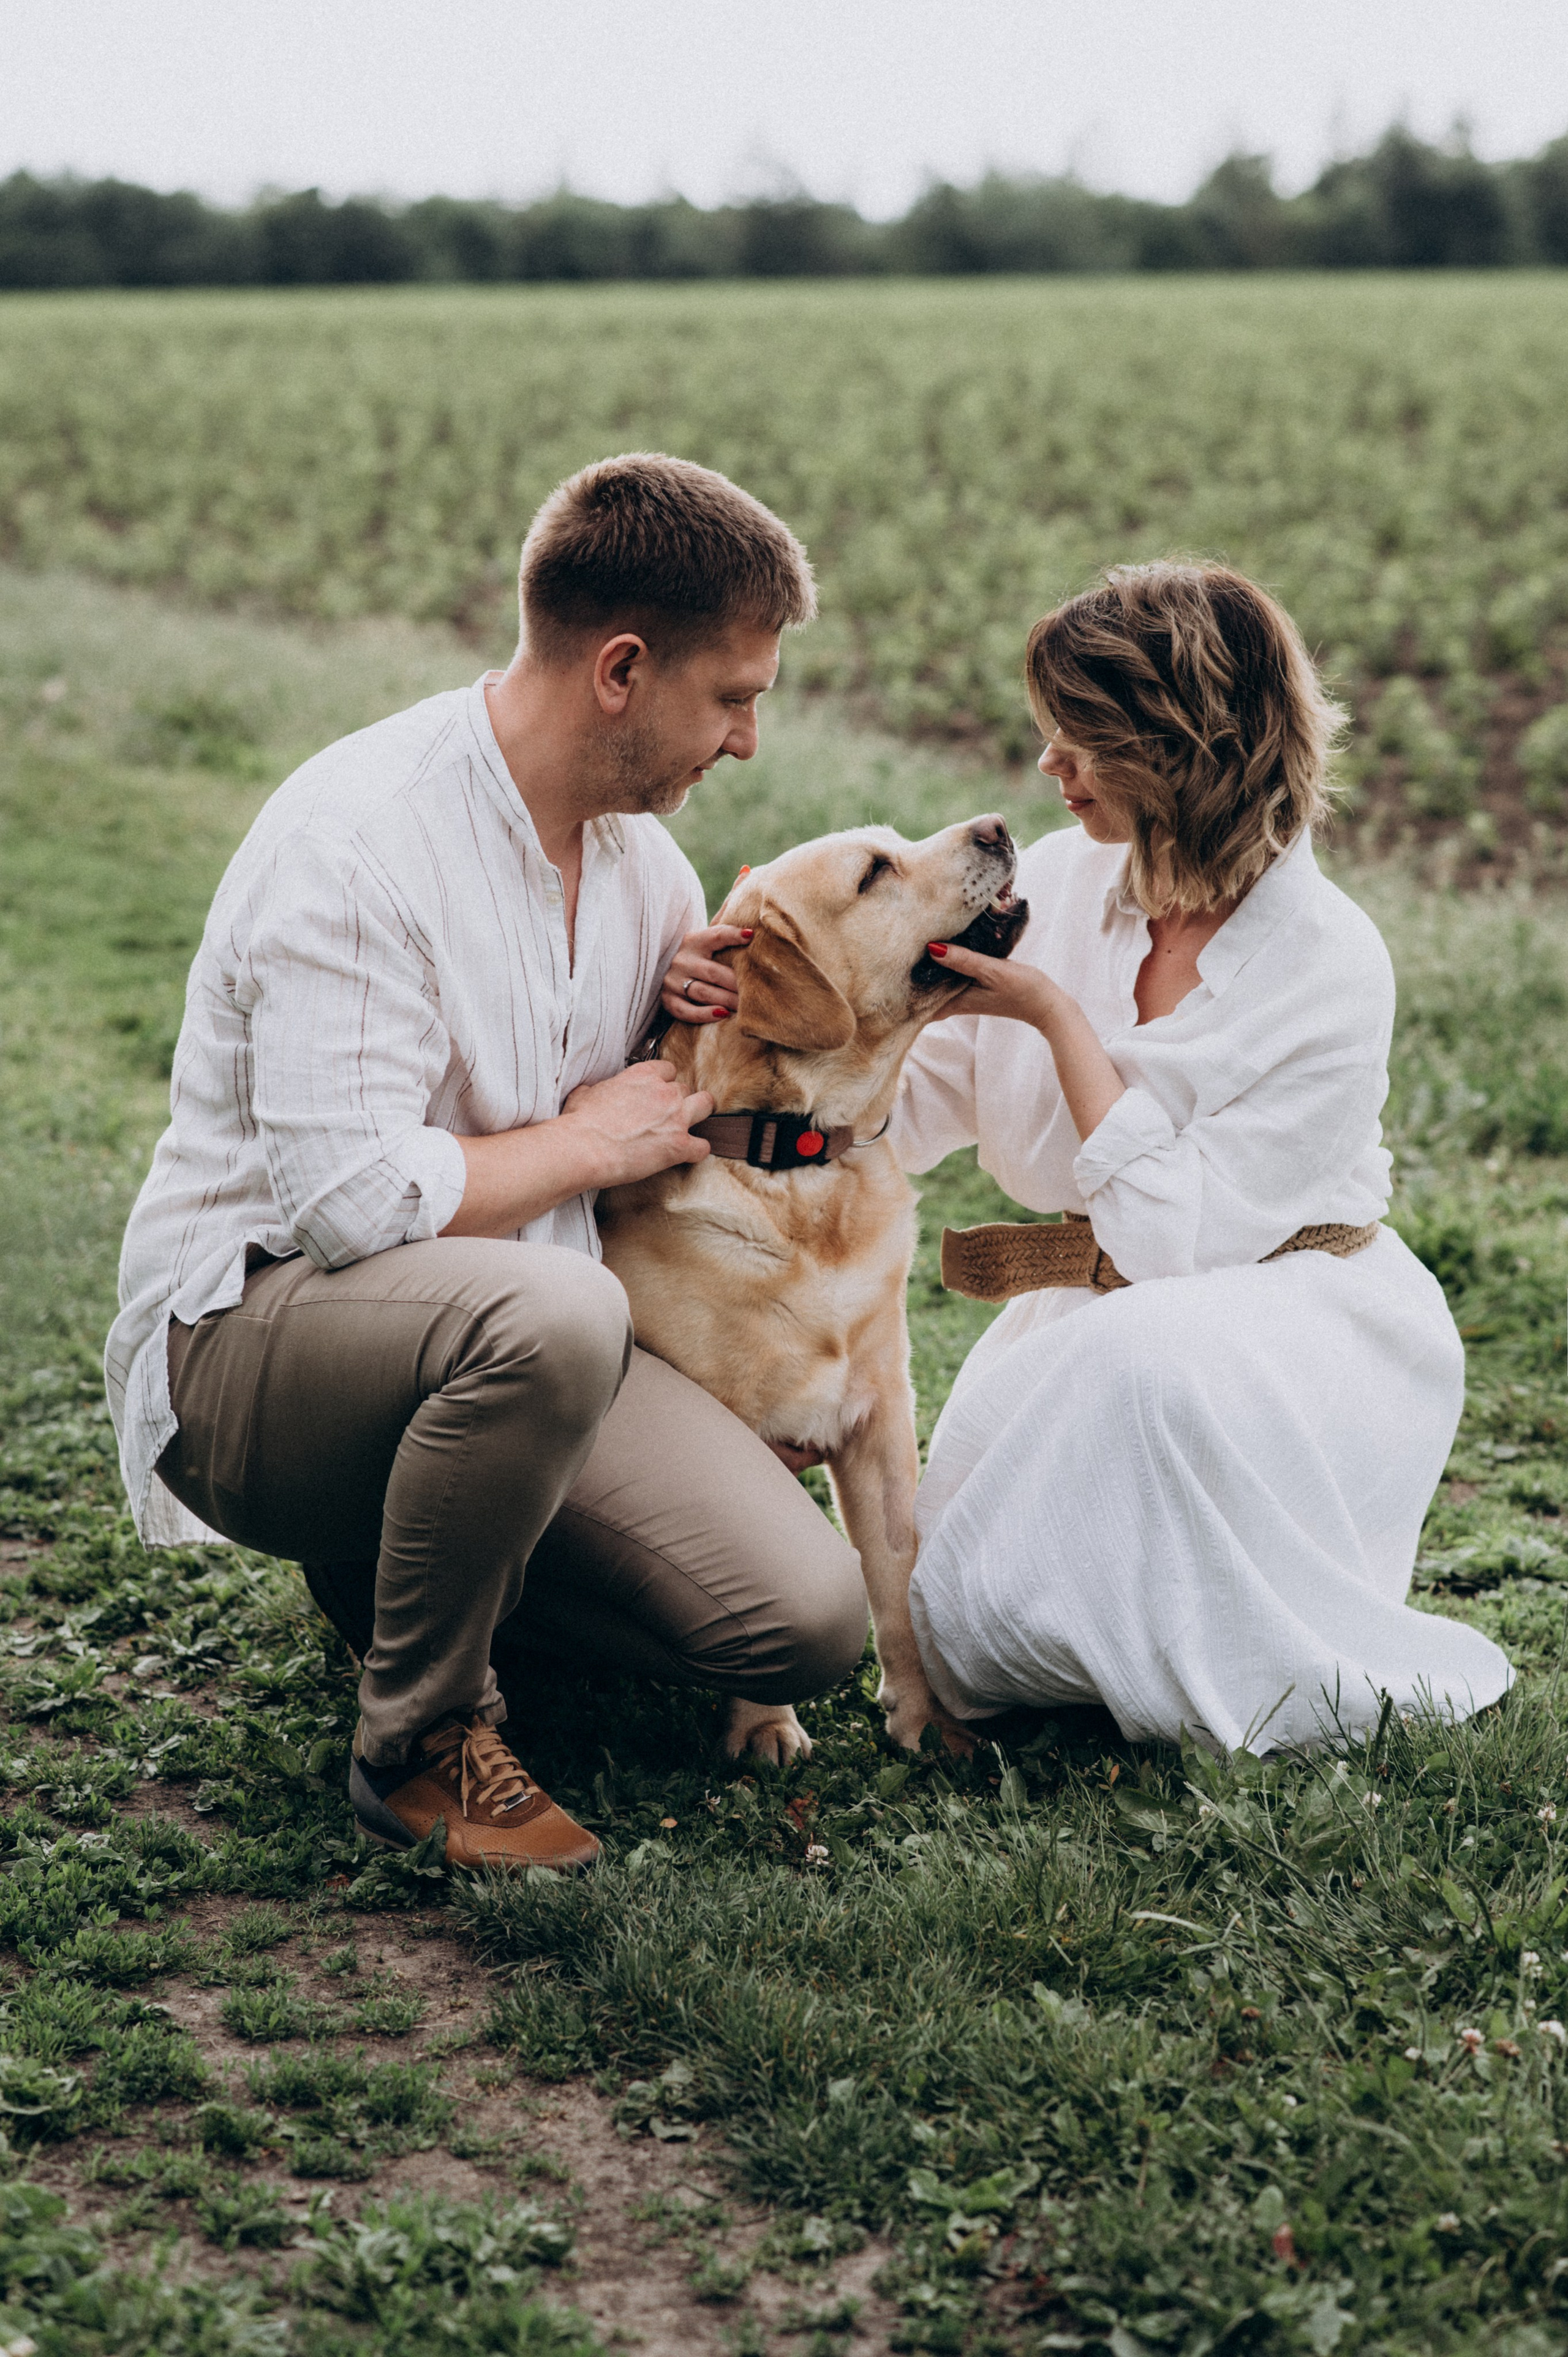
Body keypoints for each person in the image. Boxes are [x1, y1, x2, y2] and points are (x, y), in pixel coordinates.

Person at [104, 453, 869, 1871]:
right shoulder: (360, 842)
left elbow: (627, 1128)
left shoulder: (649, 871)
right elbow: (346, 1204)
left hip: (514, 1336)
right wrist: (584, 1136)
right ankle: (419, 1739)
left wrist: (671, 1036)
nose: (748, 740)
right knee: (557, 1311)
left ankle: (403, 1571)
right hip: (253, 1347)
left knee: (805, 1620)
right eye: (736, 696)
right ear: (622, 670)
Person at [893, 562, 1512, 1755]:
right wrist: (778, 1056)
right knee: (957, 1619)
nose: (1046, 767)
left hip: (1282, 1323)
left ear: (1177, 747)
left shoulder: (1326, 961)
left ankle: (1204, 1646)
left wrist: (1054, 1019)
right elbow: (918, 1093)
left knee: (1144, 1357)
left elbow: (1166, 1251)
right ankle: (1097, 1644)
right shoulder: (1064, 880)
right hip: (1092, 1327)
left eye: (1076, 738)